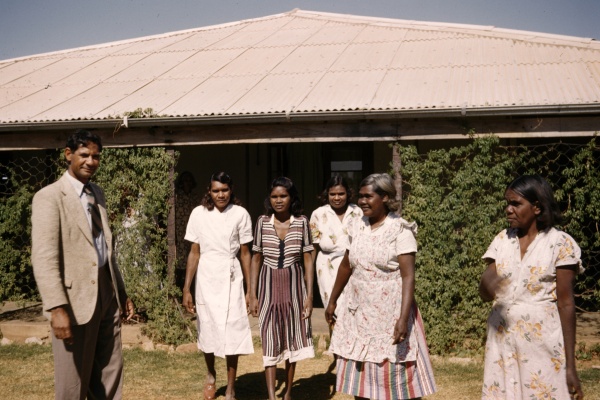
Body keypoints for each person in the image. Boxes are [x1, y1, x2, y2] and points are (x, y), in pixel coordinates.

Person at [31, 129, 136, 400]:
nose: (91, 161)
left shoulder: (96, 193)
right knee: (72, 383)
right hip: (73, 300)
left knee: (110, 373)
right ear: (68, 155)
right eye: (84, 155)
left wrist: (120, 292)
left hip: (105, 294)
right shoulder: (50, 197)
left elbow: (105, 248)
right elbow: (44, 256)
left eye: (96, 156)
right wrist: (56, 307)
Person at [325, 173, 437, 400]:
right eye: (361, 196)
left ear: (385, 197)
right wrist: (333, 300)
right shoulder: (357, 226)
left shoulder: (400, 230)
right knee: (362, 377)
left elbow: (408, 277)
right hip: (359, 311)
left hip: (389, 311)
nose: (362, 201)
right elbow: (346, 265)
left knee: (393, 378)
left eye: (369, 196)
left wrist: (403, 318)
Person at [479, 175, 585, 400]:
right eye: (507, 203)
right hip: (501, 341)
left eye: (516, 204)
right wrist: (487, 282)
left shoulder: (560, 244)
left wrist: (570, 366)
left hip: (542, 343)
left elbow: (566, 303)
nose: (508, 209)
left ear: (537, 207)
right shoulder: (502, 240)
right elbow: (485, 291)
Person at [182, 172, 254, 400]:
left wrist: (250, 290)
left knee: (233, 330)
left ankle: (231, 387)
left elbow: (245, 254)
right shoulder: (198, 214)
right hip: (206, 276)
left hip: (231, 276)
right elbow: (194, 253)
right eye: (216, 191)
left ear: (231, 190)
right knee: (208, 327)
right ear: (209, 192)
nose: (220, 195)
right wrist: (186, 288)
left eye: (224, 190)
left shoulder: (240, 214)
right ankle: (211, 374)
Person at [249, 177, 315, 400]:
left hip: (294, 285)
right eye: (274, 196)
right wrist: (252, 293)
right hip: (268, 285)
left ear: (292, 197)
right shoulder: (261, 222)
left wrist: (309, 295)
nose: (278, 201)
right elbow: (256, 258)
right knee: (269, 335)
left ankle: (287, 392)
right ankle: (271, 395)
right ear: (269, 199)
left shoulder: (302, 222)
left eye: (283, 196)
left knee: (291, 335)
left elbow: (307, 259)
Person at [310, 174, 362, 320]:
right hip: (326, 266)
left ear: (348, 193)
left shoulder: (358, 212)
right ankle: (334, 341)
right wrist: (308, 274)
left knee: (353, 308)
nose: (337, 198)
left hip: (352, 264)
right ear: (327, 194)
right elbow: (313, 247)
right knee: (332, 309)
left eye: (341, 194)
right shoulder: (318, 214)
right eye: (333, 194)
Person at [175, 171, 200, 288]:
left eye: (190, 181)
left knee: (193, 258)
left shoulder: (195, 198)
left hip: (193, 233)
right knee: (179, 262)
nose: (188, 183)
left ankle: (191, 288)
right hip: (179, 234)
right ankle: (178, 289)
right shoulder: (176, 197)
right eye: (185, 181)